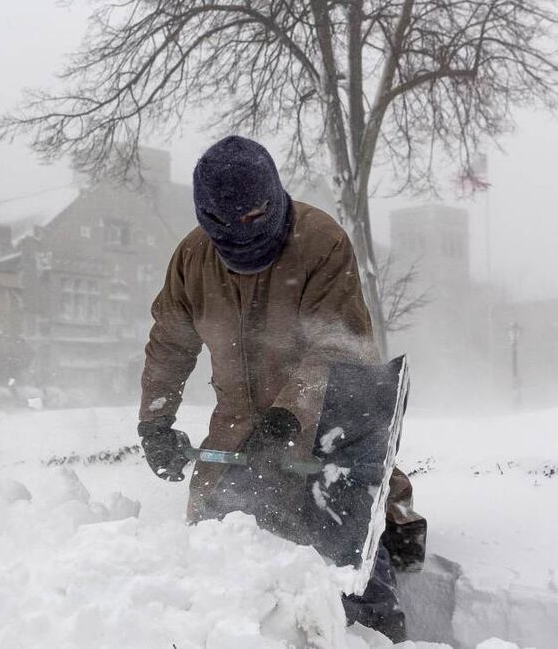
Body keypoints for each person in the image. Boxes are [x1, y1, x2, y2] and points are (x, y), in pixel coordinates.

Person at [136, 135, 418, 641]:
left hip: (323, 431)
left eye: (253, 217)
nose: (242, 231)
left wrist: (288, 418)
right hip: (237, 438)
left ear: (273, 197)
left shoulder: (320, 243)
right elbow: (170, 343)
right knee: (221, 560)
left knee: (348, 568)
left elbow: (340, 348)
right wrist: (155, 422)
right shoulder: (192, 259)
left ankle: (376, 623)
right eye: (227, 223)